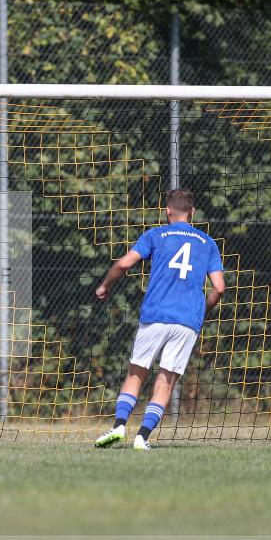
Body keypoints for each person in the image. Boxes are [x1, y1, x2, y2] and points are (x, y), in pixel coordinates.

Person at [93, 189, 225, 450]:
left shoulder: (156, 235)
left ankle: (119, 425)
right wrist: (201, 312)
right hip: (187, 321)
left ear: (167, 211)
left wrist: (104, 285)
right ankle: (142, 437)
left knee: (136, 373)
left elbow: (123, 264)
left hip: (155, 314)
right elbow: (219, 287)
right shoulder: (208, 243)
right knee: (166, 380)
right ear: (192, 212)